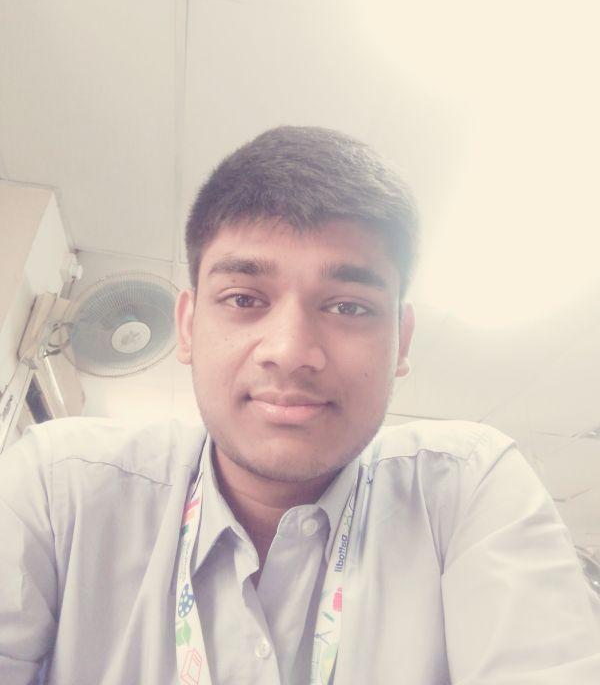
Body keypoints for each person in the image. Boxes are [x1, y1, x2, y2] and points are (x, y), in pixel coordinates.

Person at [0, 126, 599, 685]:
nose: (289, 352)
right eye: (243, 298)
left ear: (401, 342)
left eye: (348, 307)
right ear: (187, 326)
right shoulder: (60, 488)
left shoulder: (465, 489)